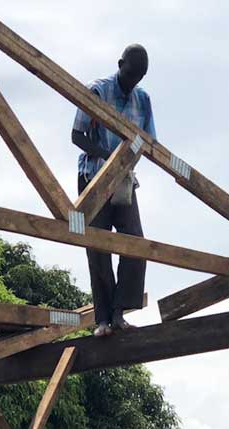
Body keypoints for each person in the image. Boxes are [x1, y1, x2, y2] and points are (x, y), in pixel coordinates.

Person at [71, 44, 156, 337]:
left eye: (139, 77)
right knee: (99, 246)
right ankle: (103, 320)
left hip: (122, 179)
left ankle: (120, 312)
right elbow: (77, 135)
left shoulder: (142, 100)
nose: (133, 82)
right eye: (130, 74)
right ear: (120, 64)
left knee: (136, 243)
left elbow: (148, 142)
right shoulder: (97, 91)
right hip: (93, 176)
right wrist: (108, 157)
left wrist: (124, 164)